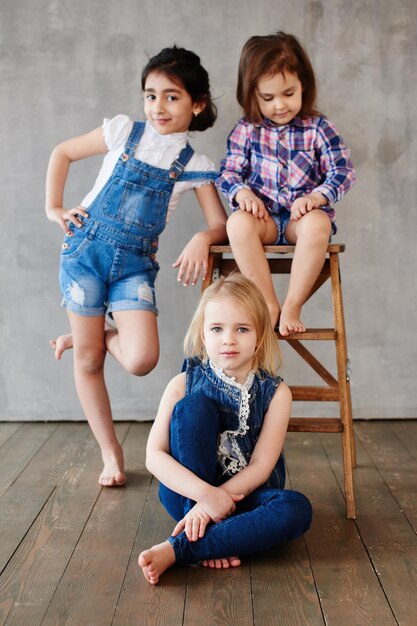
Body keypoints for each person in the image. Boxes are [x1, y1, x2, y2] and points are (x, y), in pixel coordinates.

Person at [45, 46, 228, 487]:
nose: (158, 106)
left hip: (134, 268)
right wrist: (54, 207)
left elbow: (220, 223)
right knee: (88, 362)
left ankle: (99, 333)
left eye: (171, 96)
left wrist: (203, 238)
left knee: (142, 359)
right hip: (84, 253)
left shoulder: (194, 166)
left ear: (197, 103)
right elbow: (63, 152)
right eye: (151, 95)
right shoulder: (122, 131)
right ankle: (111, 454)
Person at [138, 273, 312, 585]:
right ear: (203, 335)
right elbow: (153, 455)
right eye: (217, 329)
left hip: (245, 497)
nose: (228, 339)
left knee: (295, 508)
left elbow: (261, 466)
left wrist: (216, 506)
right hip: (188, 496)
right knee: (194, 408)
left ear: (259, 336)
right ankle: (217, 539)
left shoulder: (276, 393)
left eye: (242, 329)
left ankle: (182, 549)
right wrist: (205, 499)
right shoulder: (182, 384)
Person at [216, 31, 356, 335]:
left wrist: (318, 197)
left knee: (317, 224)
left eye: (289, 93)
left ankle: (292, 304)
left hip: (298, 222)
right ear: (251, 94)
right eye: (268, 98)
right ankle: (268, 302)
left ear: (303, 84)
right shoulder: (247, 130)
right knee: (237, 224)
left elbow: (343, 171)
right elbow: (227, 173)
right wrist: (242, 193)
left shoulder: (318, 128)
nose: (280, 105)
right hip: (262, 221)